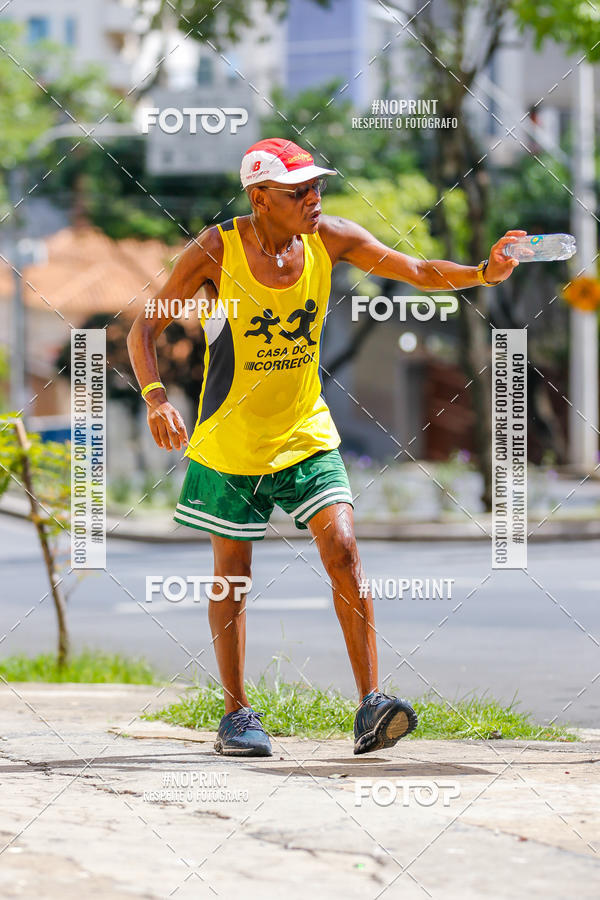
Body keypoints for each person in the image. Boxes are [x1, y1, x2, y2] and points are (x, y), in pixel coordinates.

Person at [127, 137, 522, 757]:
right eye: (298, 191)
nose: (314, 199)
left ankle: (371, 705)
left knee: (343, 549)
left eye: (318, 187)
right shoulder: (216, 250)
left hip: (306, 431)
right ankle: (236, 714)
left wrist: (483, 273)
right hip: (230, 442)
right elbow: (145, 327)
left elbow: (415, 270)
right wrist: (155, 397)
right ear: (259, 197)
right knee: (233, 580)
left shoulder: (329, 238)